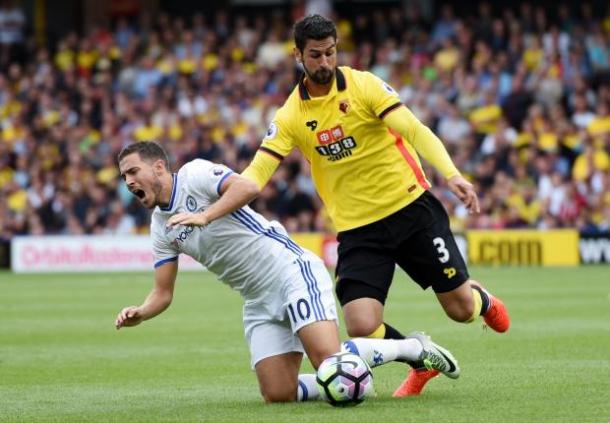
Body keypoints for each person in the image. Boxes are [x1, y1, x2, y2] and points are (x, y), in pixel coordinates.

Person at [167, 14, 511, 398]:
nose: (325, 62)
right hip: (358, 230)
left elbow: (413, 129)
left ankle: (479, 297)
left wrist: (451, 174)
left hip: (412, 210)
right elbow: (254, 177)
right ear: (298, 54)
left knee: (460, 310)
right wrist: (207, 214)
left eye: (330, 53)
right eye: (315, 55)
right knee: (361, 324)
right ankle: (420, 359)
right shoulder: (291, 115)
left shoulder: (364, 86)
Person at [115, 141, 460, 403]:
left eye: (132, 172)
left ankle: (413, 349)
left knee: (328, 362)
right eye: (124, 176)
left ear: (159, 167)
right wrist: (141, 312)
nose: (128, 181)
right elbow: (163, 292)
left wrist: (205, 215)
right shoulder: (160, 227)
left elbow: (248, 187)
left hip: (290, 271)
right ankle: (342, 376)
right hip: (257, 300)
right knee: (278, 394)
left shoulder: (194, 175)